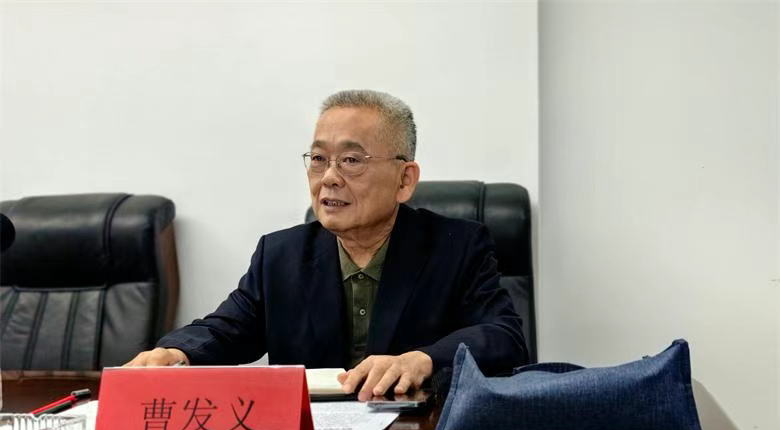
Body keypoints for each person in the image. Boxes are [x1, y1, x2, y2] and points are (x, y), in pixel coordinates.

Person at [126, 90, 528, 399]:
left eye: (352, 161)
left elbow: (504, 337)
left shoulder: (457, 247)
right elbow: (227, 329)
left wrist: (422, 360)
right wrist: (175, 353)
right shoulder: (280, 255)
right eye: (318, 159)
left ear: (405, 180)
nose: (329, 178)